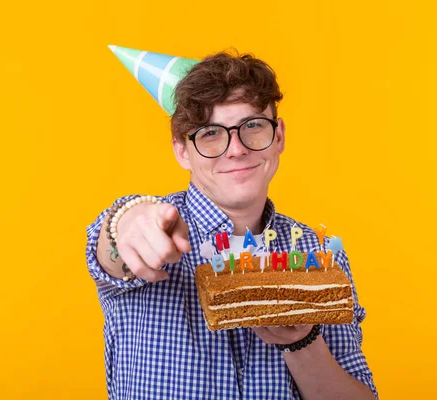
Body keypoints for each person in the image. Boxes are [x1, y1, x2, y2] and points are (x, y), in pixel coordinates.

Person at [86, 50, 378, 399]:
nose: (236, 149)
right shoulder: (155, 231)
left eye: (252, 126)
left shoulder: (317, 254)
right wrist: (127, 218)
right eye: (210, 133)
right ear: (181, 150)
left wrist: (303, 342)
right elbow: (112, 251)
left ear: (279, 135)